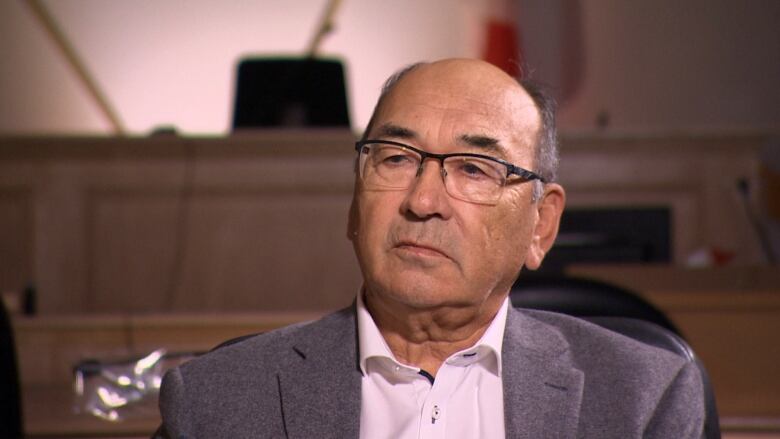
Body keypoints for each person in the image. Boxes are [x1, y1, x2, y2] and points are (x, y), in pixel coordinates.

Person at [154, 58, 704, 438]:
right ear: (354, 202)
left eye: (473, 169)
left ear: (541, 225)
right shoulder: (216, 401)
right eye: (395, 158)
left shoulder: (642, 396)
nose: (423, 200)